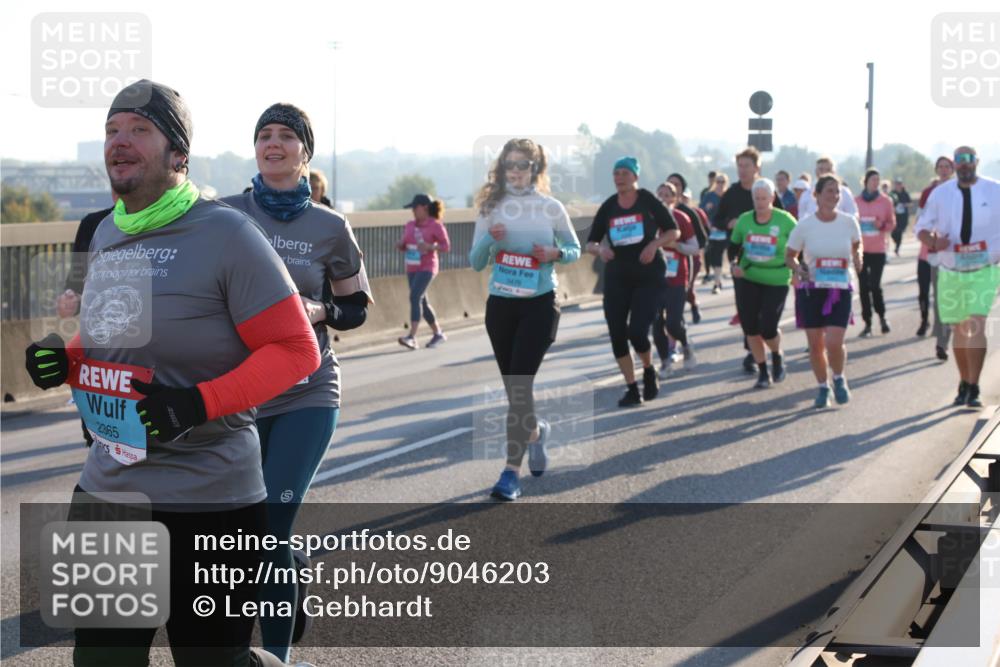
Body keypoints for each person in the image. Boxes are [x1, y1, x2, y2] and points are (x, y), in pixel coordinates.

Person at [23, 79, 316, 667]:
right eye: (111, 130)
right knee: (103, 660)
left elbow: (295, 349)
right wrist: (68, 357)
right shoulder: (108, 233)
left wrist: (196, 403)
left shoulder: (228, 235)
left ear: (179, 154)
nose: (119, 142)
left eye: (139, 129)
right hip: (110, 490)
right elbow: (114, 333)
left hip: (212, 497)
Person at [221, 102, 370, 662]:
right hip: (239, 393)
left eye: (286, 136)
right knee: (244, 534)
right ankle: (281, 587)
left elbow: (356, 307)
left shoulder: (331, 226)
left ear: (305, 153)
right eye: (264, 135)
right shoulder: (225, 216)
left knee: (269, 525)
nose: (273, 143)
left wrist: (320, 310)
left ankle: (276, 658)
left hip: (308, 390)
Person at [469, 138, 580, 500]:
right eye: (510, 165)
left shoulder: (550, 207)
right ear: (501, 170)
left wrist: (555, 252)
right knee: (516, 393)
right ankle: (534, 433)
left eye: (523, 165)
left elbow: (574, 249)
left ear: (536, 169)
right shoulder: (491, 206)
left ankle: (509, 474)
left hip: (539, 303)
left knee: (519, 388)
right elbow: (475, 260)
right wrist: (491, 240)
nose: (516, 172)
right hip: (501, 306)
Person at [586, 156, 679, 407]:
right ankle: (631, 388)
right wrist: (601, 250)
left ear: (635, 177)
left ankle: (648, 369)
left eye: (625, 173)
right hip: (618, 277)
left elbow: (673, 231)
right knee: (617, 334)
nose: (619, 178)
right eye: (616, 174)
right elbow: (591, 242)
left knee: (637, 332)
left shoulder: (648, 201)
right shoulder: (609, 206)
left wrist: (654, 244)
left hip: (648, 275)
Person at [915, 147, 1000, 409]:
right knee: (960, 330)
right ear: (954, 165)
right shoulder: (941, 194)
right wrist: (932, 241)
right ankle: (964, 380)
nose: (964, 165)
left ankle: (974, 387)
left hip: (985, 268)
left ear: (976, 162)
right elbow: (921, 227)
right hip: (951, 268)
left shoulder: (995, 190)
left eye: (969, 160)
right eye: (959, 161)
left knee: (975, 323)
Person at [785, 175, 863, 408]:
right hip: (812, 289)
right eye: (829, 191)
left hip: (839, 288)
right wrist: (799, 269)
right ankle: (822, 386)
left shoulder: (849, 222)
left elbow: (856, 248)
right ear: (816, 195)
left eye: (837, 192)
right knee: (816, 343)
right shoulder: (805, 225)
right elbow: (789, 256)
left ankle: (838, 378)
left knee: (834, 341)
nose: (834, 196)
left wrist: (858, 260)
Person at [714, 147, 784, 373]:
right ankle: (752, 352)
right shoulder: (732, 193)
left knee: (766, 317)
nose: (742, 170)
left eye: (746, 166)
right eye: (739, 166)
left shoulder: (767, 191)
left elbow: (783, 221)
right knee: (748, 312)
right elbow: (716, 219)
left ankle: (764, 350)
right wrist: (729, 223)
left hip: (771, 264)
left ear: (757, 168)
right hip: (742, 262)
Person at [730, 178, 796, 388]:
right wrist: (734, 265)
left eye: (764, 198)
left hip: (776, 278)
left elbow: (798, 246)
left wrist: (798, 270)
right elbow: (734, 246)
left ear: (772, 198)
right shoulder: (744, 220)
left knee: (768, 328)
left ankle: (776, 355)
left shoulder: (785, 220)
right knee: (750, 328)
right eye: (756, 198)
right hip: (748, 278)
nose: (760, 202)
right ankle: (762, 371)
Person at [653, 181, 699, 377]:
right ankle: (665, 362)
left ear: (675, 199)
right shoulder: (650, 218)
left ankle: (686, 343)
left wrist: (676, 246)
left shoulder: (681, 218)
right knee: (656, 323)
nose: (663, 198)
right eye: (660, 194)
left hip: (677, 277)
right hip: (654, 278)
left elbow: (694, 247)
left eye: (667, 195)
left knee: (672, 322)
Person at [396, 193, 450, 349]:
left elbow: (446, 246)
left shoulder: (435, 225)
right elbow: (405, 243)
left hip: (427, 267)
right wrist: (400, 245)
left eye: (415, 207)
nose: (412, 211)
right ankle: (438, 333)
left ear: (425, 208)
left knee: (414, 296)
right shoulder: (410, 225)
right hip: (412, 266)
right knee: (422, 302)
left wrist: (430, 247)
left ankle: (412, 336)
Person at [916, 156, 956, 359]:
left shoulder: (963, 190)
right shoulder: (928, 193)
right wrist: (931, 239)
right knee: (942, 298)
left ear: (953, 169)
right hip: (937, 252)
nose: (943, 170)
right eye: (940, 166)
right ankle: (942, 342)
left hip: (962, 253)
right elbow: (921, 222)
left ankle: (947, 332)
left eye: (947, 166)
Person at [854, 168, 896, 337]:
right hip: (861, 250)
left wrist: (882, 226)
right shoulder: (856, 201)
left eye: (878, 180)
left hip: (878, 249)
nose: (876, 183)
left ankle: (883, 317)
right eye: (873, 180)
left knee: (875, 286)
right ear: (865, 182)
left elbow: (892, 223)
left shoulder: (885, 201)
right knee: (863, 287)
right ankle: (867, 323)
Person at [667, 173, 706, 323]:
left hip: (688, 259)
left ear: (682, 190)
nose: (673, 187)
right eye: (670, 184)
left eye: (677, 185)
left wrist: (679, 246)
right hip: (665, 260)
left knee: (684, 290)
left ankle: (689, 310)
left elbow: (701, 241)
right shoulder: (657, 211)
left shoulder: (687, 213)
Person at [702, 172, 729, 290]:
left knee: (731, 256)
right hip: (713, 232)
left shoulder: (729, 196)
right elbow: (701, 212)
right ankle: (717, 281)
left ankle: (719, 281)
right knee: (715, 257)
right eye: (718, 181)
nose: (720, 184)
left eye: (723, 182)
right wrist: (707, 223)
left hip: (727, 230)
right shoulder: (709, 196)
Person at [889, 178, 911, 257]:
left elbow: (910, 203)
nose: (898, 185)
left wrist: (904, 205)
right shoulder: (892, 193)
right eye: (897, 184)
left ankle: (897, 248)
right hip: (894, 216)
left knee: (900, 232)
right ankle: (896, 242)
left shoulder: (905, 193)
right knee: (894, 233)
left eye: (899, 184)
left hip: (903, 217)